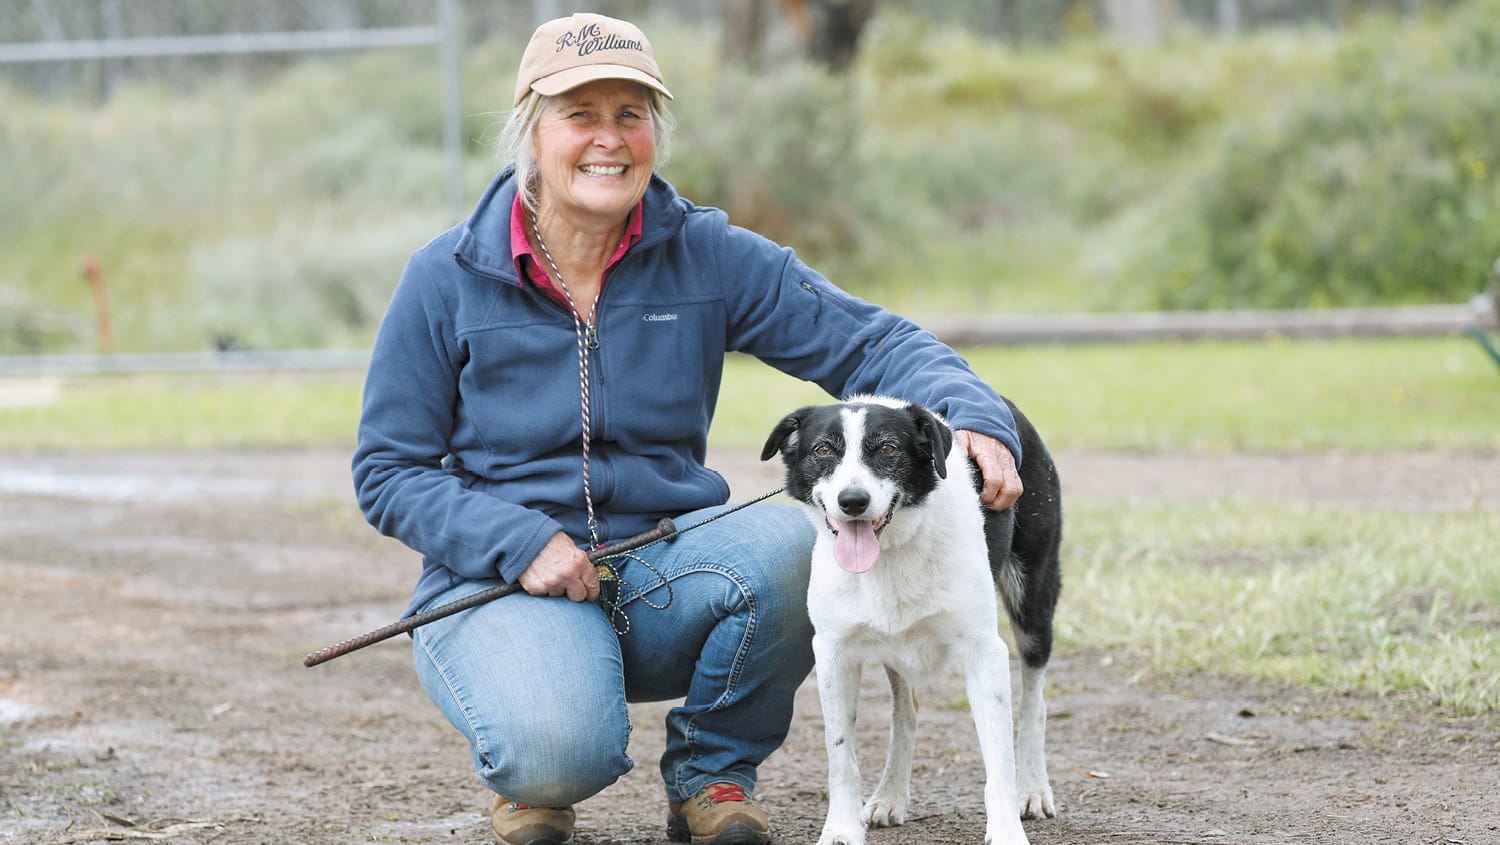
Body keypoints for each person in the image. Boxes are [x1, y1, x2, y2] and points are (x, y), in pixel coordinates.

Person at [352, 12, 1025, 845]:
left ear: (655, 133)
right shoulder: (443, 277)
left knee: (792, 549)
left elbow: (874, 341)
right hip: (499, 577)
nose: (609, 139)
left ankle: (712, 774)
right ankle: (538, 767)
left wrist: (979, 420)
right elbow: (388, 468)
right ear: (531, 127)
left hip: (666, 558)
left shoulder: (705, 254)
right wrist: (515, 538)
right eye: (580, 115)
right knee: (560, 747)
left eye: (630, 114)